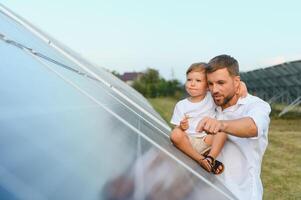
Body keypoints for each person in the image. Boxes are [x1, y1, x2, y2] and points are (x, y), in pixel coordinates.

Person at [196, 55, 271, 200]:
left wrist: (221, 125)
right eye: (210, 84)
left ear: (236, 81)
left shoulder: (256, 105)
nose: (214, 90)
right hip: (209, 191)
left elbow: (253, 127)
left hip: (242, 194)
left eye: (221, 82)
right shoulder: (211, 104)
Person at [170, 62, 246, 174]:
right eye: (189, 80)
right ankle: (201, 159)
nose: (192, 84)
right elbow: (177, 128)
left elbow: (230, 86)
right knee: (175, 134)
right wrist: (181, 127)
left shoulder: (211, 98)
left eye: (198, 81)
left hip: (206, 140)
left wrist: (242, 84)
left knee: (222, 130)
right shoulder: (181, 105)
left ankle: (210, 158)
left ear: (207, 86)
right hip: (188, 142)